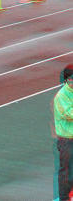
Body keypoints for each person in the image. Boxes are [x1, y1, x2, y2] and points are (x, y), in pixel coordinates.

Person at [54, 64, 73, 201]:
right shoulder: (61, 96)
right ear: (67, 80)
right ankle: (64, 198)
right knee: (66, 171)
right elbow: (69, 114)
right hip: (67, 140)